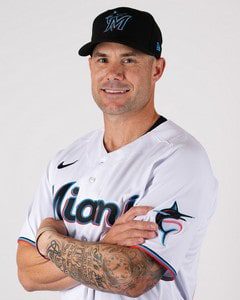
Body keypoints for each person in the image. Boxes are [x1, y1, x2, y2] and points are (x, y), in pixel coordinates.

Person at [16, 6, 218, 300]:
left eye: (129, 59)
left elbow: (131, 277)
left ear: (157, 69)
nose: (113, 73)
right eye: (103, 59)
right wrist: (107, 244)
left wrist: (47, 240)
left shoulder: (180, 158)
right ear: (91, 67)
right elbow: (27, 273)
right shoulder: (64, 161)